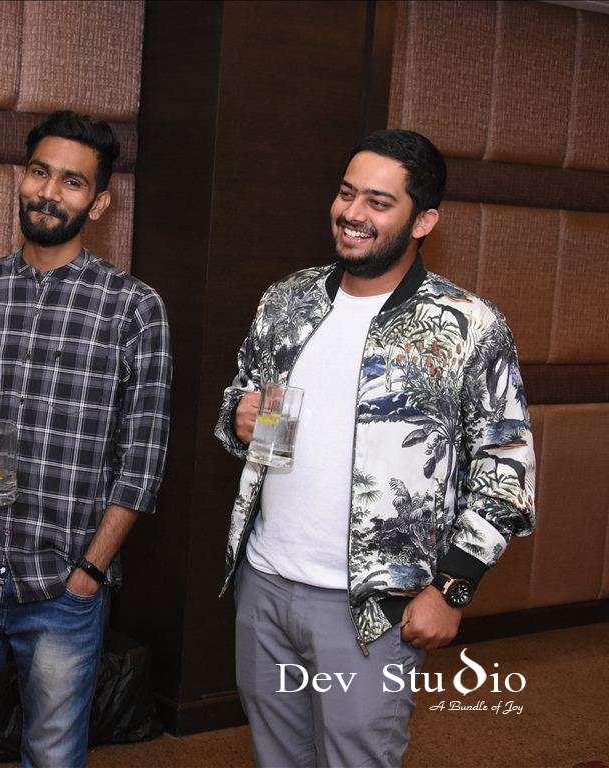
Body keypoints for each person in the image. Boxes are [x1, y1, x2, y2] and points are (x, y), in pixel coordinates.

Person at [215, 129, 535, 767]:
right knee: (276, 757)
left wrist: (453, 589)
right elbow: (244, 401)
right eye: (346, 193)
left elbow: (506, 466)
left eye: (378, 202)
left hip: (373, 609)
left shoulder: (468, 325)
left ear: (424, 221)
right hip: (266, 583)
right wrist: (238, 417)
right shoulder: (288, 300)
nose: (352, 213)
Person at [0, 111, 172, 768]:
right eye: (40, 172)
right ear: (21, 176)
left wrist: (92, 571)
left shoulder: (133, 307)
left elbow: (143, 460)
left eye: (72, 182)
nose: (49, 192)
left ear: (99, 202)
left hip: (65, 576)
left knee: (54, 756)